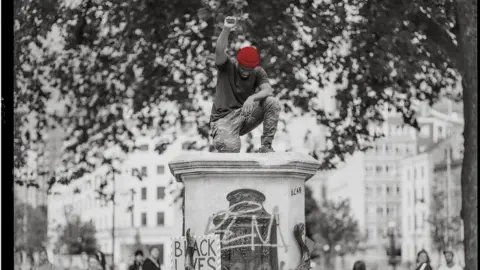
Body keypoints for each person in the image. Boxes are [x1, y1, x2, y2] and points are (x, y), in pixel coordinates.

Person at [209, 16, 281, 153]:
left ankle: (266, 146)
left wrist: (252, 98)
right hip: (223, 120)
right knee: (231, 150)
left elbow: (267, 90)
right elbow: (219, 51)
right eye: (243, 69)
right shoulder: (226, 66)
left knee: (272, 102)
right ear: (238, 62)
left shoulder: (258, 72)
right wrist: (226, 29)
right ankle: (224, 141)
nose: (246, 73)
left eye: (249, 70)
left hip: (244, 115)